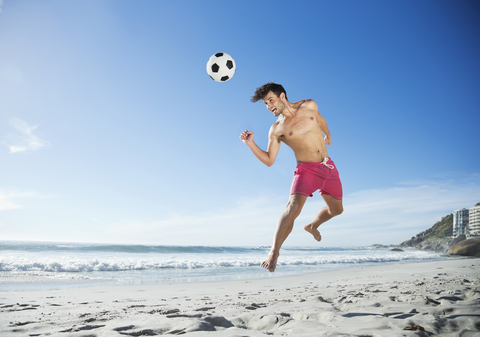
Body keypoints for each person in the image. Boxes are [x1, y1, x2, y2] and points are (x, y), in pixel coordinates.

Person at [240, 82, 343, 272]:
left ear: (282, 96)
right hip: (306, 170)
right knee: (293, 207)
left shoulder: (309, 105)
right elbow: (270, 160)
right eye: (265, 104)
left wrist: (327, 134)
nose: (269, 106)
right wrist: (250, 143)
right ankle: (274, 252)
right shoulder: (277, 129)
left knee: (337, 210)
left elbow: (320, 120)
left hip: (328, 166)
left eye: (270, 100)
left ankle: (312, 226)